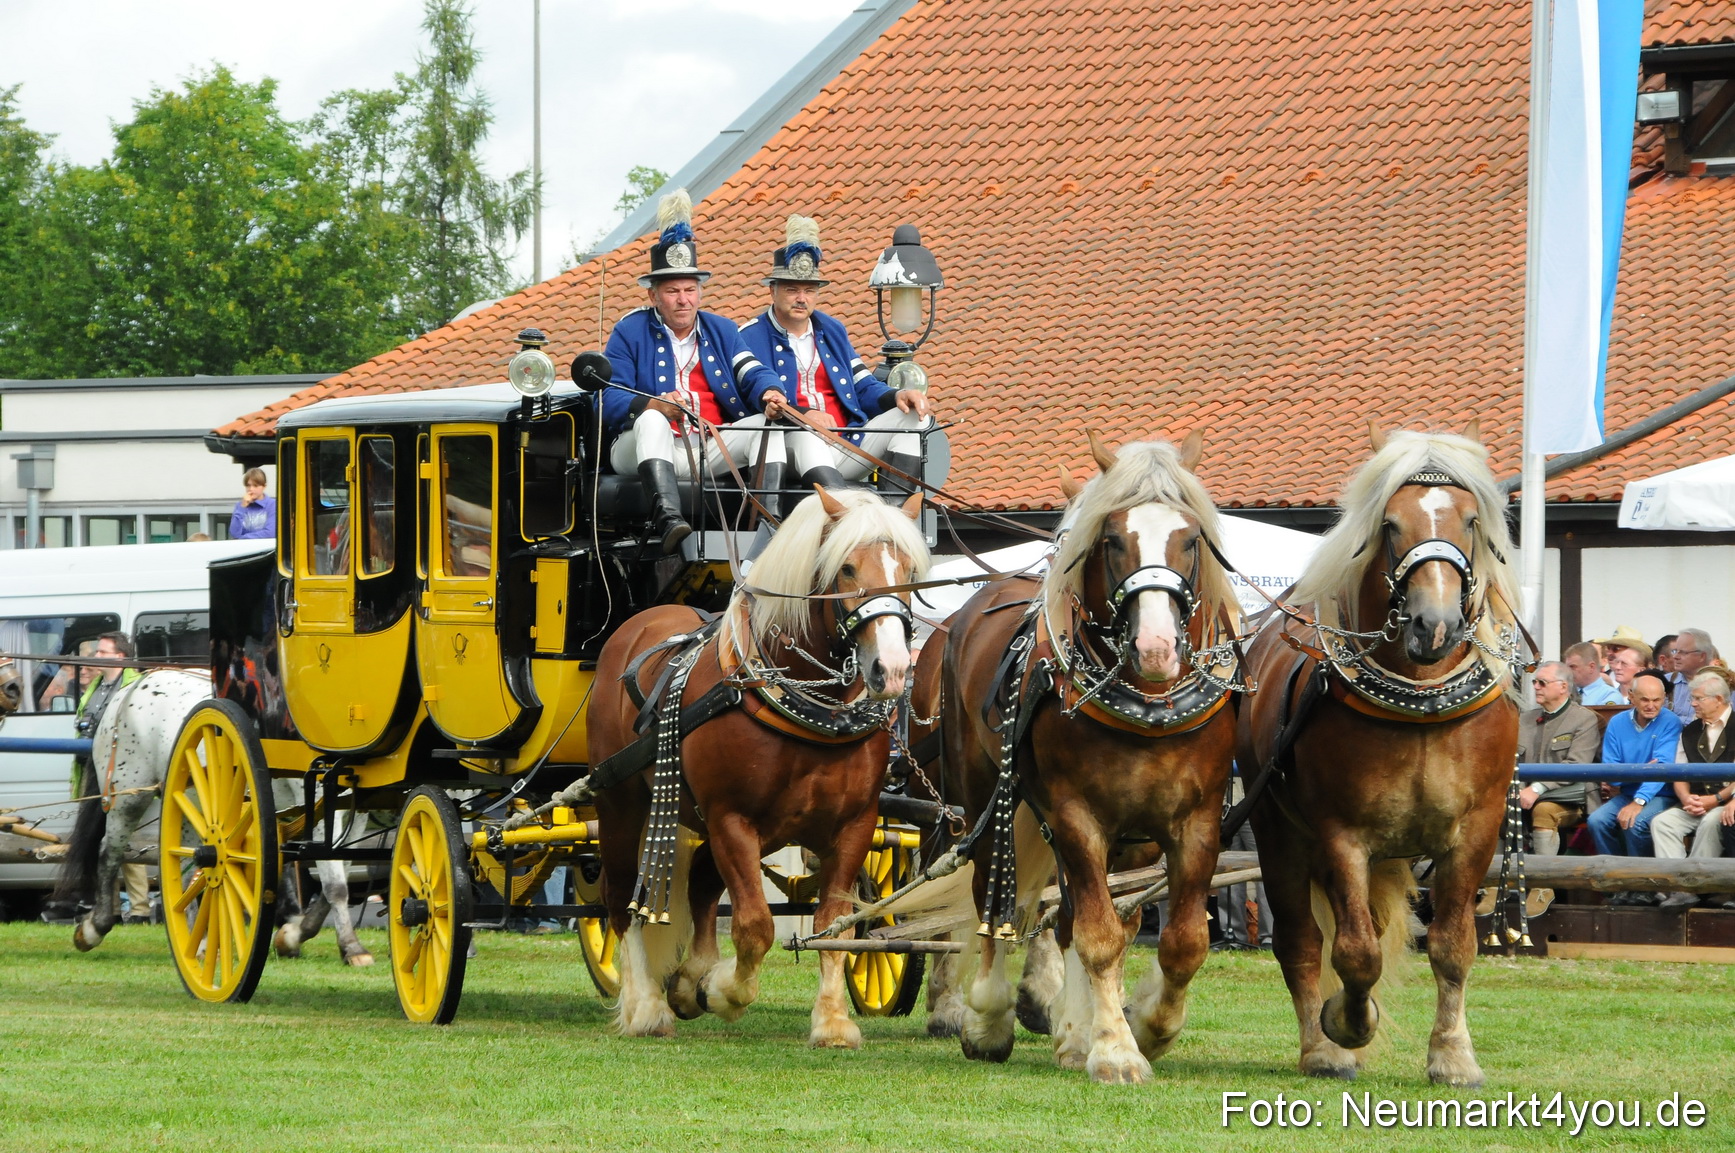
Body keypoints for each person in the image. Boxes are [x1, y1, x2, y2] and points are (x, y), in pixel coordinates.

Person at [602, 189, 787, 554]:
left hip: (706, 446)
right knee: (652, 421)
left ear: (700, 293)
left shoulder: (722, 330)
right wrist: (653, 405)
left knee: (767, 425)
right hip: (638, 448)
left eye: (690, 289)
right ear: (653, 296)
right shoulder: (629, 330)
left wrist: (770, 391)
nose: (683, 299)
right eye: (672, 291)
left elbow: (753, 371)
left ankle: (771, 519)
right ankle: (669, 519)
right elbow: (606, 399)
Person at [736, 214, 934, 495]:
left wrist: (897, 396)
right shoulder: (749, 336)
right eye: (792, 289)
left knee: (914, 418)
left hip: (848, 442)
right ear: (773, 290)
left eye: (809, 290)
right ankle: (841, 514)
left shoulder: (832, 329)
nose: (801, 298)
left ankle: (895, 514)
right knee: (808, 437)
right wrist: (805, 416)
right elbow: (750, 403)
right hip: (793, 446)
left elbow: (863, 386)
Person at [1586, 669, 1683, 900]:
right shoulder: (1618, 722)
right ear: (1631, 697)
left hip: (1663, 793)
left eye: (1657, 700)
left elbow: (1662, 769)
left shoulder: (1671, 721)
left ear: (1665, 699)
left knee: (1634, 821)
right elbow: (1612, 772)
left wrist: (1639, 797)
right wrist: (1643, 770)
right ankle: (1617, 882)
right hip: (1629, 792)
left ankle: (1644, 886)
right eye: (1645, 700)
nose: (1652, 705)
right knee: (1596, 821)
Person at [75, 632, 152, 924]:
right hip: (92, 766)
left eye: (102, 652)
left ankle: (140, 908)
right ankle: (109, 905)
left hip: (123, 769)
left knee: (124, 834)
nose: (96, 657)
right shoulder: (97, 685)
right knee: (100, 837)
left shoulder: (134, 685)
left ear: (120, 656)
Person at [1653, 670, 1735, 910]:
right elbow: (1679, 773)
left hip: (1723, 802)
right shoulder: (1689, 731)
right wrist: (1686, 798)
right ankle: (1677, 888)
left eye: (1698, 698)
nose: (1692, 704)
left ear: (1718, 699)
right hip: (1697, 802)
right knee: (1662, 822)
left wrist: (1717, 799)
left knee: (1712, 821)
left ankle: (1695, 886)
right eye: (1693, 698)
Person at [1669, 629, 1719, 722]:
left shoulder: (1722, 686)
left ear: (1702, 656)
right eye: (1675, 651)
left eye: (1683, 652)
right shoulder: (1663, 682)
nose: (1675, 657)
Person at [1563, 641, 1624, 706]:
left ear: (1591, 667)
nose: (1568, 671)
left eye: (1573, 667)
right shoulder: (1567, 694)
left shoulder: (1609, 695)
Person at [229, 467, 275, 540]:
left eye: (255, 486)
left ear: (264, 487)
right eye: (248, 485)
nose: (251, 489)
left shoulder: (272, 505)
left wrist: (244, 538)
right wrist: (242, 507)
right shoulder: (240, 505)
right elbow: (234, 533)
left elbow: (270, 532)